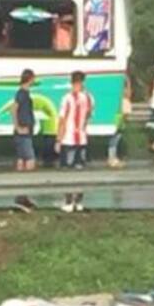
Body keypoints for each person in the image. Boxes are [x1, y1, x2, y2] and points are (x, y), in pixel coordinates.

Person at [56, 70, 94, 212]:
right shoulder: (88, 97)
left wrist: (58, 139)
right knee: (80, 169)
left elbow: (62, 120)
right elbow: (89, 115)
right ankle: (78, 201)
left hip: (68, 138)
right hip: (82, 138)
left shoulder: (67, 98)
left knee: (67, 170)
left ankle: (68, 201)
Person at [12, 68, 37, 212]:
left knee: (21, 161)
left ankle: (21, 196)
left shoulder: (24, 93)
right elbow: (14, 110)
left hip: (24, 132)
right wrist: (18, 127)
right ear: (29, 79)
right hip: (23, 132)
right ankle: (22, 195)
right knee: (30, 161)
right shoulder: (22, 94)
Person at [108, 72, 133, 168]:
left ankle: (113, 157)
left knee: (115, 139)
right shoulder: (123, 101)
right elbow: (124, 114)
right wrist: (122, 121)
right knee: (114, 140)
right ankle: (112, 158)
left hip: (119, 121)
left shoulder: (123, 100)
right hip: (119, 121)